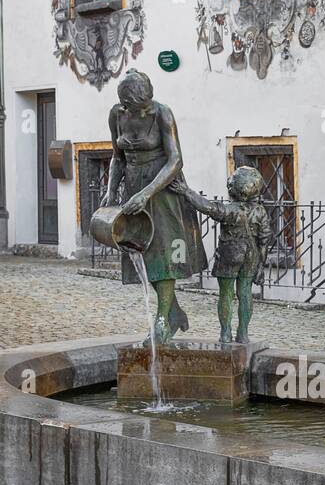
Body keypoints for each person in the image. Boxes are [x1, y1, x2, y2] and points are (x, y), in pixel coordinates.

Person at [102, 70, 206, 343]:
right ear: (127, 103)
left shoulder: (163, 113)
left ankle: (162, 323)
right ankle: (173, 312)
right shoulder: (117, 115)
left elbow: (175, 160)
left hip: (162, 191)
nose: (145, 109)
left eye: (147, 103)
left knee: (165, 256)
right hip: (134, 187)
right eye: (139, 106)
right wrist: (112, 190)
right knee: (142, 252)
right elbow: (117, 157)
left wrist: (147, 194)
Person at [173, 167, 270, 344]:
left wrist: (186, 191)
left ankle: (225, 333)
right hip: (251, 254)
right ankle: (243, 334)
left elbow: (208, 207)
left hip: (230, 252)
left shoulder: (230, 210)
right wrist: (261, 265)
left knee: (226, 293)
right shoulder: (260, 211)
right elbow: (264, 241)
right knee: (245, 293)